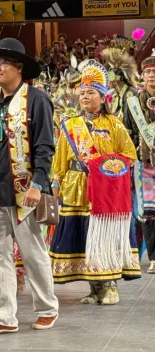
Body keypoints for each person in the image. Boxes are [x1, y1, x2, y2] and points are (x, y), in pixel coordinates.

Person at [0, 38, 59, 336]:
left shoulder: (36, 100)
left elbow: (45, 146)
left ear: (19, 68)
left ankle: (47, 308)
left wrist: (37, 183)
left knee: (33, 252)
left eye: (1, 63)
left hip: (25, 193)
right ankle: (5, 316)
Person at [50, 59, 141, 305]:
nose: (85, 96)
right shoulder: (70, 125)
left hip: (103, 191)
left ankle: (109, 286)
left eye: (91, 92)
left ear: (103, 98)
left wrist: (104, 166)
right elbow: (58, 162)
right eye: (82, 93)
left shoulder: (114, 124)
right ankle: (93, 288)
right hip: (75, 189)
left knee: (102, 235)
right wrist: (55, 189)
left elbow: (129, 156)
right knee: (83, 237)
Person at [126, 50, 155, 274]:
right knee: (148, 212)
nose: (152, 76)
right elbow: (127, 131)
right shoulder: (134, 102)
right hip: (145, 164)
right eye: (148, 72)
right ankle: (154, 256)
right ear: (142, 77)